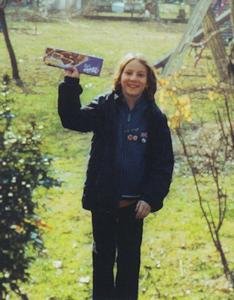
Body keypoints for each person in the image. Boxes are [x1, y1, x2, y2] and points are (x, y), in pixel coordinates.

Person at [58, 53, 174, 300]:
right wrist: (70, 84)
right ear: (120, 77)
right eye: (128, 73)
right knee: (102, 264)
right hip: (104, 203)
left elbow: (163, 164)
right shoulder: (104, 107)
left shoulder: (154, 117)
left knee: (129, 267)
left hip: (135, 207)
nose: (133, 78)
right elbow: (72, 120)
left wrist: (151, 198)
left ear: (148, 81)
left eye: (140, 74)